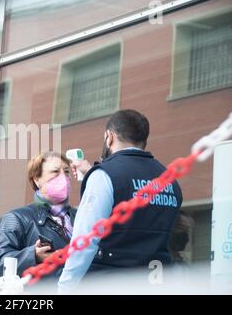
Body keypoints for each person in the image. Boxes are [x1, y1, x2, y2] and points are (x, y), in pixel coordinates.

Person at [58, 109, 183, 293]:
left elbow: (84, 243)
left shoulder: (104, 176)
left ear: (109, 136)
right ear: (143, 140)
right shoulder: (171, 181)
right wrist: (92, 176)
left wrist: (64, 288)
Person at [0, 151, 77, 280]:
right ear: (37, 180)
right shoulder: (18, 217)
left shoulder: (80, 216)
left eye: (67, 172)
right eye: (55, 172)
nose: (63, 177)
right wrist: (33, 255)